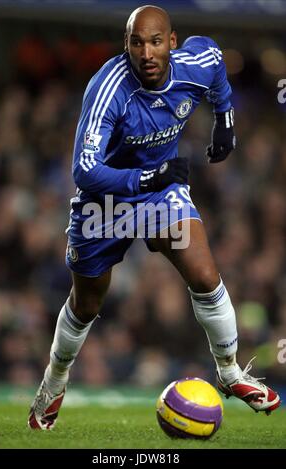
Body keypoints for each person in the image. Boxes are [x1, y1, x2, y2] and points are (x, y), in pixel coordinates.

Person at [28, 5, 280, 430]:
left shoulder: (196, 63)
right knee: (87, 303)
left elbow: (217, 64)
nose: (146, 52)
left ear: (173, 42)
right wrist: (148, 175)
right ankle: (54, 380)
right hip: (104, 201)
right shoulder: (107, 88)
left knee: (204, 274)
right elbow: (84, 170)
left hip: (161, 196)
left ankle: (230, 371)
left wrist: (225, 124)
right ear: (126, 45)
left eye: (156, 41)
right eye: (136, 42)